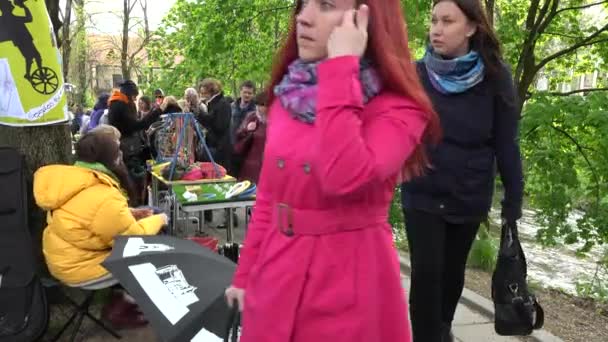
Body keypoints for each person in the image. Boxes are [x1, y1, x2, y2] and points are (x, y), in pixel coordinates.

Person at [224, 1, 441, 341]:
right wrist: (245, 274)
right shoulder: (287, 97)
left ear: (366, 19)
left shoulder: (400, 109)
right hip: (276, 271)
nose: (303, 17)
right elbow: (269, 197)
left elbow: (344, 175)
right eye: (302, 4)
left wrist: (342, 67)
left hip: (350, 281)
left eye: (325, 5)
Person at [400, 1, 524, 341]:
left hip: (468, 193)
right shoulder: (416, 74)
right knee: (426, 275)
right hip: (422, 192)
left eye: (447, 21)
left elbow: (506, 143)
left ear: (470, 28)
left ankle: (442, 330)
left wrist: (513, 200)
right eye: (433, 21)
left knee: (452, 275)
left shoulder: (496, 77)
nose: (436, 29)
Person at [33, 125, 168, 328]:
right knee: (150, 247)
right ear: (111, 160)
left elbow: (88, 216)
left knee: (145, 216)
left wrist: (131, 213)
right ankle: (122, 308)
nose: (122, 154)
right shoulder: (103, 195)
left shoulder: (76, 179)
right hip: (79, 267)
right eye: (118, 151)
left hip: (63, 258)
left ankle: (124, 299)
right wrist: (161, 219)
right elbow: (131, 237)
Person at [108, 80, 161, 205]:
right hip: (128, 151)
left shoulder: (117, 103)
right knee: (133, 181)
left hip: (125, 148)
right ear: (129, 94)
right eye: (134, 97)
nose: (135, 100)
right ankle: (135, 205)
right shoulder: (121, 105)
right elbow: (136, 126)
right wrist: (157, 111)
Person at [197, 78, 232, 172]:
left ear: (211, 91)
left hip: (219, 148)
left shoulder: (222, 104)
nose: (202, 95)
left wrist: (201, 115)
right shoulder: (213, 104)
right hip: (214, 146)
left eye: (204, 92)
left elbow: (219, 126)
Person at [233, 92, 268, 184]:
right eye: (259, 104)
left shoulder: (276, 120)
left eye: (264, 105)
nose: (261, 108)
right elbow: (238, 135)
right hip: (252, 162)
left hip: (269, 162)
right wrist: (246, 129)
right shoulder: (252, 116)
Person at [230, 80, 257, 177]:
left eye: (250, 93)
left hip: (247, 149)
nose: (247, 95)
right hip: (232, 146)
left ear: (253, 94)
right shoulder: (232, 107)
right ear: (240, 91)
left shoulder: (256, 110)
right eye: (245, 92)